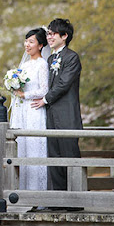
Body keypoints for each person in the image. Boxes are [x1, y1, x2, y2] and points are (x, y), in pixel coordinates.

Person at [31, 18, 83, 192]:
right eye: (48, 33)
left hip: (67, 116)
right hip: (51, 116)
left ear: (65, 36)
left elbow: (64, 84)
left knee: (70, 158)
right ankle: (58, 199)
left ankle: (75, 199)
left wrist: (44, 99)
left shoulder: (72, 57)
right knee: (54, 158)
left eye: (53, 34)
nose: (49, 37)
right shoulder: (51, 57)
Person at [9, 28, 49, 190]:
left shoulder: (42, 65)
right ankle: (25, 192)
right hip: (23, 110)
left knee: (35, 147)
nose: (27, 45)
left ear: (40, 45)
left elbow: (44, 90)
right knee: (23, 148)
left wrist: (25, 95)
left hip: (35, 110)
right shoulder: (24, 65)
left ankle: (39, 193)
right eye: (26, 41)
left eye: (31, 42)